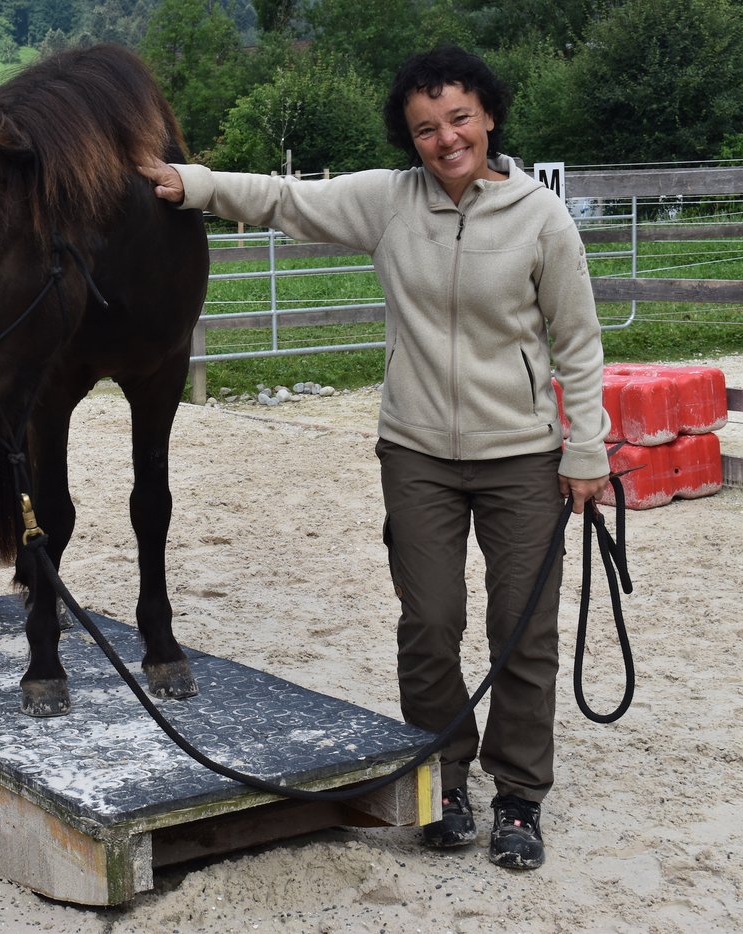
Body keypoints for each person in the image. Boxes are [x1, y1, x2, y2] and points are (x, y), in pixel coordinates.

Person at [139, 46, 612, 871]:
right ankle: (445, 781)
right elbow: (288, 200)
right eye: (426, 128)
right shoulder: (389, 203)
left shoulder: (542, 218)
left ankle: (520, 797)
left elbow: (577, 343)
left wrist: (586, 450)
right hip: (418, 452)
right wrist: (198, 183)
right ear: (411, 137)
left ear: (489, 116)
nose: (445, 138)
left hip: (522, 458)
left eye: (459, 118)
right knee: (431, 622)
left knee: (522, 631)